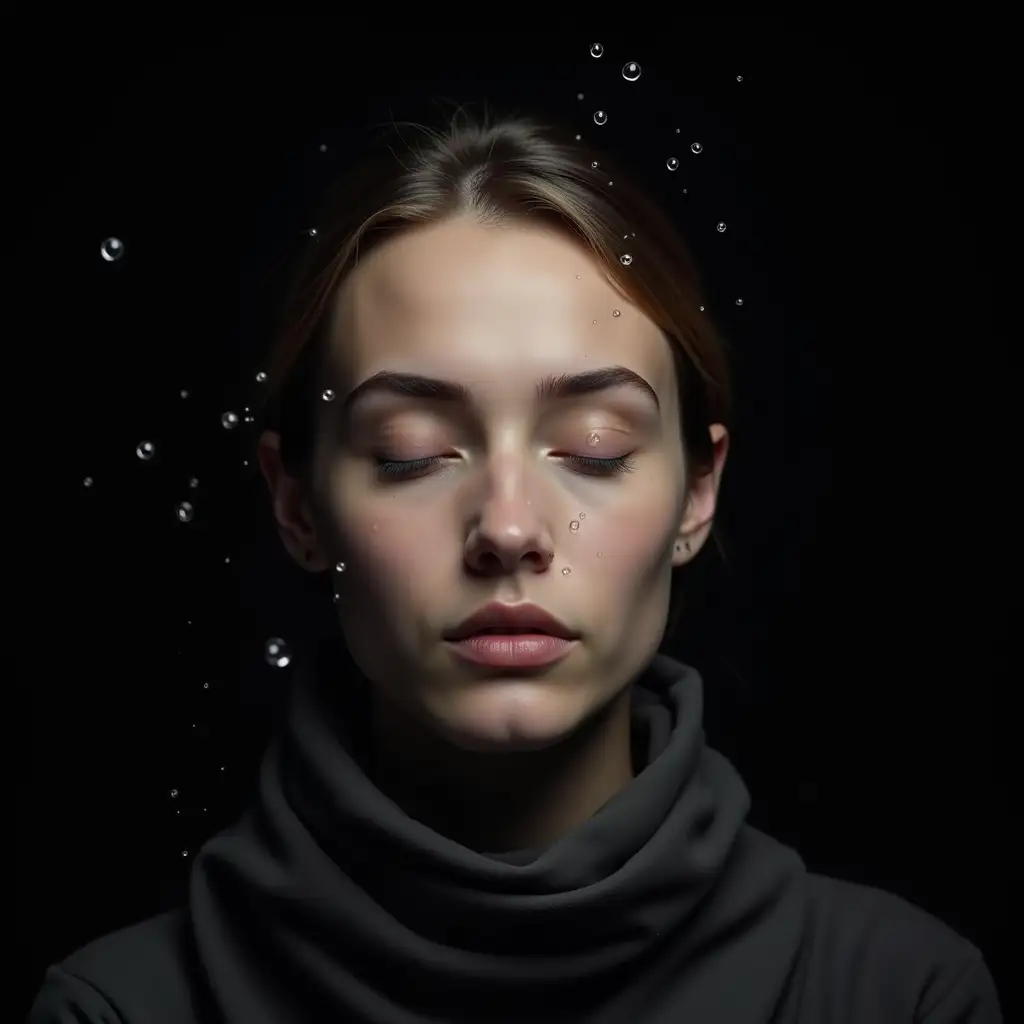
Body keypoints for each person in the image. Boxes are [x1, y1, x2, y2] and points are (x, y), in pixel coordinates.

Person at [28, 108, 1002, 1023]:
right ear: (298, 503)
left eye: (590, 444)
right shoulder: (122, 1008)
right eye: (410, 448)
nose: (506, 527)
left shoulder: (899, 994)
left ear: (697, 492)